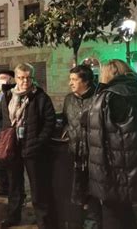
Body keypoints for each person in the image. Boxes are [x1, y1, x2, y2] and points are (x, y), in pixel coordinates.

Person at [87, 59, 137, 229]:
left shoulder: (109, 97)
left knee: (112, 214)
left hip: (113, 169)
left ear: (108, 74)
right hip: (135, 166)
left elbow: (97, 137)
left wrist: (99, 175)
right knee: (126, 212)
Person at [0, 63, 56, 228]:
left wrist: (38, 141)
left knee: (38, 188)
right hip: (12, 147)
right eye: (21, 77)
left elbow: (50, 122)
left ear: (33, 78)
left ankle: (44, 221)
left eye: (28, 77)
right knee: (14, 186)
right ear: (16, 78)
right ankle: (13, 217)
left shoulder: (41, 97)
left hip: (32, 149)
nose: (25, 81)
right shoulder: (8, 96)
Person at [52, 65, 97, 228]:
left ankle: (93, 222)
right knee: (76, 190)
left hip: (93, 154)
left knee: (93, 192)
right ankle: (76, 221)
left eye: (74, 79)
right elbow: (65, 120)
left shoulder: (98, 98)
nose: (70, 83)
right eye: (70, 79)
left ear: (85, 81)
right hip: (73, 152)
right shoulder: (69, 99)